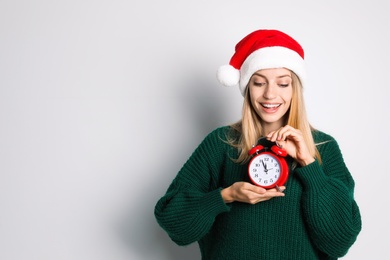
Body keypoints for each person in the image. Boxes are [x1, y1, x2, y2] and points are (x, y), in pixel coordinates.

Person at [154, 29, 362, 259]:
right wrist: (225, 196)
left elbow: (340, 241)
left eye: (283, 84)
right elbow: (173, 223)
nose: (270, 94)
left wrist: (308, 164)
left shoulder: (322, 147)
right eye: (259, 83)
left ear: (295, 90)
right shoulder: (222, 143)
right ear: (246, 88)